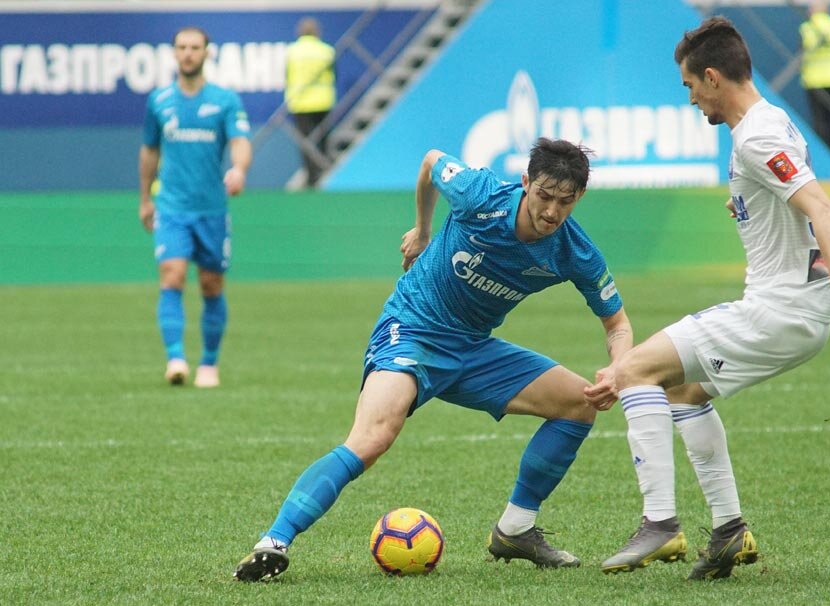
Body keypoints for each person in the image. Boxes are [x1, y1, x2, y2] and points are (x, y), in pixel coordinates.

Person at [233, 138, 634, 582]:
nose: (552, 212)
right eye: (544, 196)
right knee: (373, 437)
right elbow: (429, 161)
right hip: (413, 329)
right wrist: (423, 231)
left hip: (473, 348)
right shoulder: (479, 195)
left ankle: (516, 529)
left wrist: (618, 369)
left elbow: (617, 325)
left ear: (580, 197)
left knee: (579, 403)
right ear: (525, 183)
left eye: (566, 201)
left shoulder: (575, 251)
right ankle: (273, 543)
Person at [598, 16, 830, 580]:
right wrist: (747, 208)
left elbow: (823, 209)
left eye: (690, 86)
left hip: (779, 310)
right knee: (682, 391)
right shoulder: (770, 122)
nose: (690, 99)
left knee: (633, 370)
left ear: (712, 77)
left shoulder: (757, 137)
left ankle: (659, 524)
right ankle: (729, 531)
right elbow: (788, 204)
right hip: (791, 312)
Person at [138, 26, 252, 388]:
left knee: (211, 284)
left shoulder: (225, 100)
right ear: (174, 53)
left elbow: (240, 141)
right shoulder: (159, 100)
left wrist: (239, 169)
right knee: (171, 275)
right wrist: (145, 199)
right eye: (182, 47)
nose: (188, 53)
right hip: (171, 208)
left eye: (195, 47)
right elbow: (149, 151)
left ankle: (209, 363)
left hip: (211, 210)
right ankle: (175, 359)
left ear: (207, 53)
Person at [285, 17, 336, 189]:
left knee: (306, 143)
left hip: (300, 103)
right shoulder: (327, 51)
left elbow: (287, 75)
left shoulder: (292, 51)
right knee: (323, 140)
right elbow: (334, 75)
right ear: (317, 32)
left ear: (299, 32)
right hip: (323, 101)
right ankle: (325, 172)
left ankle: (311, 177)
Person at [799, 0, 830, 153]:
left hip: (813, 79)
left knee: (818, 120)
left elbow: (802, 52)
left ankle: (821, 154)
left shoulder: (807, 28)